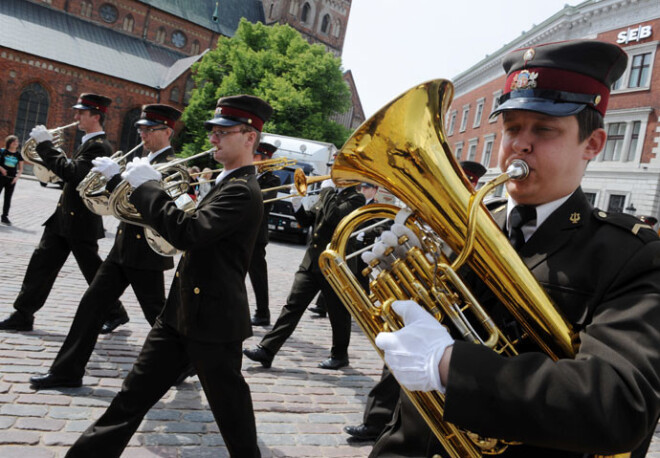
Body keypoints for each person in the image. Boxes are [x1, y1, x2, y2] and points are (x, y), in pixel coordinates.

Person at [370, 40, 660, 457]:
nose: (519, 145)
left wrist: (449, 365)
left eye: (543, 129)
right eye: (511, 128)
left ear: (593, 144)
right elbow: (414, 355)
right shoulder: (467, 227)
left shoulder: (630, 255)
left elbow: (618, 405)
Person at [64, 94, 271, 458]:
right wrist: (120, 186)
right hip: (179, 316)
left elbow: (186, 233)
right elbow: (161, 218)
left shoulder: (241, 189)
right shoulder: (225, 182)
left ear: (249, 137)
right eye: (213, 131)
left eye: (223, 132)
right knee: (130, 399)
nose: (213, 139)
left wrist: (148, 187)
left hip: (213, 323)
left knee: (234, 421)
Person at [29, 104, 181, 390]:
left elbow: (157, 210)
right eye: (141, 128)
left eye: (150, 129)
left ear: (167, 132)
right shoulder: (142, 158)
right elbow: (122, 203)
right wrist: (113, 181)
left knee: (159, 317)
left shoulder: (173, 165)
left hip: (145, 252)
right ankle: (67, 371)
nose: (142, 133)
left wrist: (117, 180)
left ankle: (186, 363)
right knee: (90, 307)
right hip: (122, 249)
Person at [344, 163, 487, 443]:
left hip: (450, 301)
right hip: (418, 291)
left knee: (426, 373)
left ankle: (395, 426)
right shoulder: (422, 209)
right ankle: (377, 421)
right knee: (396, 358)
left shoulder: (476, 214)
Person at [0, 93, 127, 332]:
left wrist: (46, 145)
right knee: (40, 266)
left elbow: (72, 174)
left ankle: (115, 311)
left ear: (96, 116)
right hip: (63, 218)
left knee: (93, 272)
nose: (76, 116)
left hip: (80, 220)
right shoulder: (88, 143)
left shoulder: (99, 147)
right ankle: (23, 314)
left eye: (82, 112)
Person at [243, 177, 365, 370]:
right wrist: (297, 204)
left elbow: (334, 217)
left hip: (335, 264)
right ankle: (267, 350)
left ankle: (340, 355)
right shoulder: (330, 195)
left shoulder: (356, 198)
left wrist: (327, 191)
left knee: (338, 313)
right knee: (292, 306)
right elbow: (308, 220)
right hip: (312, 261)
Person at [249, 141, 281, 326]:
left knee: (258, 277)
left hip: (256, 235)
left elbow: (264, 202)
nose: (253, 159)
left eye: (257, 156)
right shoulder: (248, 174)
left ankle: (263, 313)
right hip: (242, 232)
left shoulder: (272, 180)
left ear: (265, 159)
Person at [0, 135, 23, 225]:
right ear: (9, 143)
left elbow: (21, 168)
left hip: (11, 180)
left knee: (8, 198)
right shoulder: (3, 151)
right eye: (13, 141)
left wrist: (16, 178)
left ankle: (4, 216)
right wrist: (1, 169)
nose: (15, 143)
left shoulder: (18, 155)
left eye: (16, 142)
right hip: (1, 177)